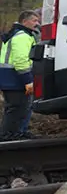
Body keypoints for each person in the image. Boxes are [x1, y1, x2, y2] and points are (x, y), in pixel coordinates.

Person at [1, 10, 39, 140]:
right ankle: (8, 135)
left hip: (10, 78)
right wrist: (28, 80)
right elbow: (21, 61)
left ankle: (18, 132)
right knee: (16, 108)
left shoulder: (19, 34)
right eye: (34, 20)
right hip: (15, 79)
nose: (37, 23)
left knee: (23, 107)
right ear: (24, 21)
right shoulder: (22, 36)